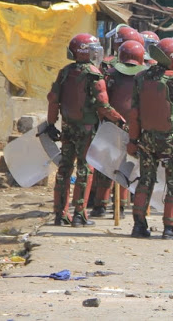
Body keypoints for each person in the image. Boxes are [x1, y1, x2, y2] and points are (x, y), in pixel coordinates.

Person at [47, 34, 125, 227]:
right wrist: (119, 119)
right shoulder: (93, 74)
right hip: (87, 130)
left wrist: (50, 123)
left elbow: (53, 99)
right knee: (85, 169)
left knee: (64, 169)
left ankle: (60, 213)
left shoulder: (64, 72)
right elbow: (103, 106)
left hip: (67, 127)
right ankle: (80, 214)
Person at [127, 38, 173, 240]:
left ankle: (139, 226)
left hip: (146, 138)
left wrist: (133, 141)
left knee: (145, 181)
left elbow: (134, 112)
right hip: (171, 139)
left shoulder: (141, 77)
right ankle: (170, 227)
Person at [90, 40, 147, 218]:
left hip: (112, 123)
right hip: (135, 126)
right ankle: (120, 207)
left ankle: (101, 205)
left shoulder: (110, 74)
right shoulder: (146, 76)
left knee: (106, 165)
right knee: (126, 165)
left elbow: (103, 102)